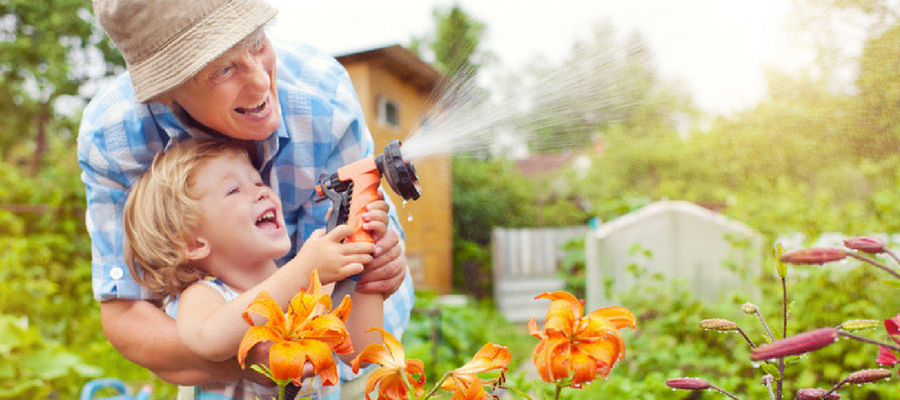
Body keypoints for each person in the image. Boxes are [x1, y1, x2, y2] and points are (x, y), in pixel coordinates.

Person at [77, 0, 414, 395]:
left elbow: (359, 348)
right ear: (167, 89)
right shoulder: (206, 295)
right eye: (223, 68)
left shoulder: (322, 97)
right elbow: (192, 332)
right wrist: (301, 275)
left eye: (256, 42)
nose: (260, 82)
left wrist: (370, 275)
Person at [123, 139, 386, 399]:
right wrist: (302, 270)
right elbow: (209, 339)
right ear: (194, 244)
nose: (262, 191)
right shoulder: (205, 296)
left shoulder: (312, 284)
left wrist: (364, 266)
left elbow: (363, 352)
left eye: (259, 182)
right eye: (234, 190)